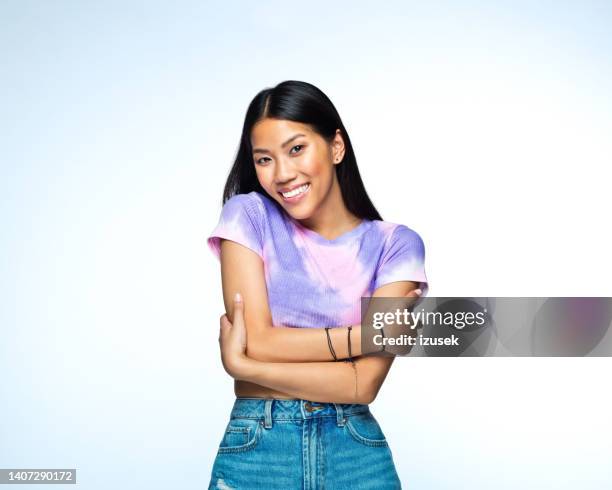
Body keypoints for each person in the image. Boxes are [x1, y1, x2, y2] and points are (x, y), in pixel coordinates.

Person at [206, 80, 429, 489]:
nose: (283, 173)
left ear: (336, 146)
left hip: (356, 453)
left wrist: (246, 367)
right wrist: (367, 336)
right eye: (264, 159)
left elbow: (363, 385)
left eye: (296, 148)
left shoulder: (396, 245)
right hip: (259, 448)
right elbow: (258, 339)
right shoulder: (248, 216)